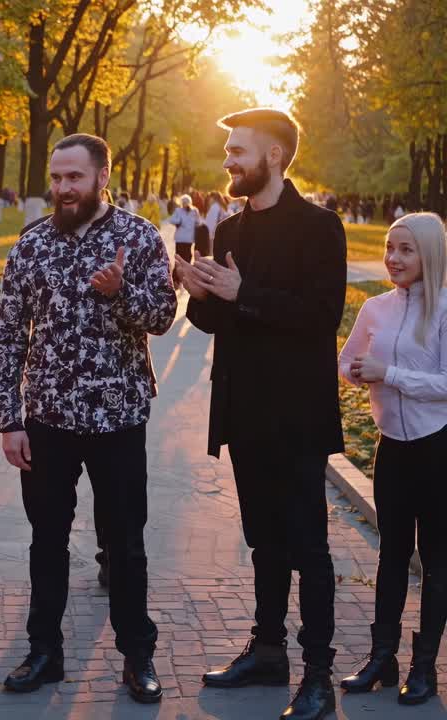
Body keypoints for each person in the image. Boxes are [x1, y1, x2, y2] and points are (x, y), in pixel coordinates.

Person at [0, 133, 175, 704]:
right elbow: (8, 333)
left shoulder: (138, 238)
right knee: (47, 538)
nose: (64, 188)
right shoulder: (33, 243)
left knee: (125, 541)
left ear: (102, 178)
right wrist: (9, 418)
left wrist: (120, 295)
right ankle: (43, 650)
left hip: (118, 414)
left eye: (75, 177)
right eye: (57, 177)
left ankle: (137, 655)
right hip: (47, 416)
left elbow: (164, 317)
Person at [177, 108, 346, 720]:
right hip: (243, 413)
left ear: (273, 155)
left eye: (238, 150)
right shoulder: (230, 233)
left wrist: (242, 294)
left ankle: (319, 677)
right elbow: (223, 323)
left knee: (309, 547)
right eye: (227, 150)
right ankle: (268, 650)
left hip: (296, 419)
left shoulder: (319, 228)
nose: (228, 160)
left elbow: (320, 316)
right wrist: (200, 298)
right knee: (263, 543)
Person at [337, 212, 447, 706]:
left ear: (429, 254)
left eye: (406, 250)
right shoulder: (376, 308)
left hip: (437, 446)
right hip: (391, 449)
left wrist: (392, 373)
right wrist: (358, 373)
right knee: (391, 557)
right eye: (389, 247)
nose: (393, 258)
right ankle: (383, 658)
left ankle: (424, 669)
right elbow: (347, 363)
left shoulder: (444, 308)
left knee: (438, 561)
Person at [167, 194, 202, 284]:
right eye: (183, 202)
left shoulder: (195, 211)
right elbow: (171, 220)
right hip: (180, 238)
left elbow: (198, 222)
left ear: (189, 202)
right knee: (178, 257)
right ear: (181, 203)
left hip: (189, 238)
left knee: (188, 257)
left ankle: (185, 276)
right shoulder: (178, 211)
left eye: (186, 202)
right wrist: (179, 221)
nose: (185, 204)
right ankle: (176, 278)